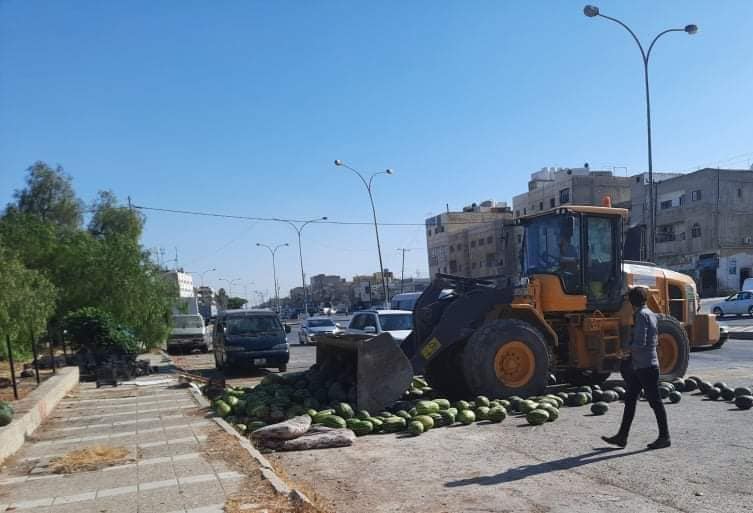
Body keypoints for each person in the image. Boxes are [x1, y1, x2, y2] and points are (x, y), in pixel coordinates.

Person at [602, 286, 670, 450]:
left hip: (645, 367)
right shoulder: (651, 314)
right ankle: (622, 436)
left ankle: (664, 437)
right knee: (630, 399)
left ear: (632, 302)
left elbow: (640, 342)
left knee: (655, 401)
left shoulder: (640, 315)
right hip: (642, 365)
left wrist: (624, 351)